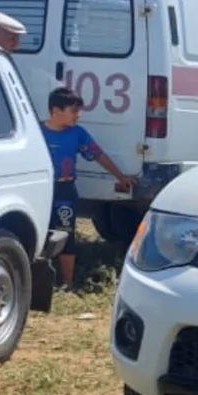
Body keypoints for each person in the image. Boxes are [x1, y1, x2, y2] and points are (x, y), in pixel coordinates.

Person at [42, 87, 135, 290]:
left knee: (66, 234)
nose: (79, 115)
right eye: (74, 111)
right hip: (39, 191)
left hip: (65, 191)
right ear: (56, 110)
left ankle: (67, 283)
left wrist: (119, 175)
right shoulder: (36, 132)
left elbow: (98, 155)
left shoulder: (78, 134)